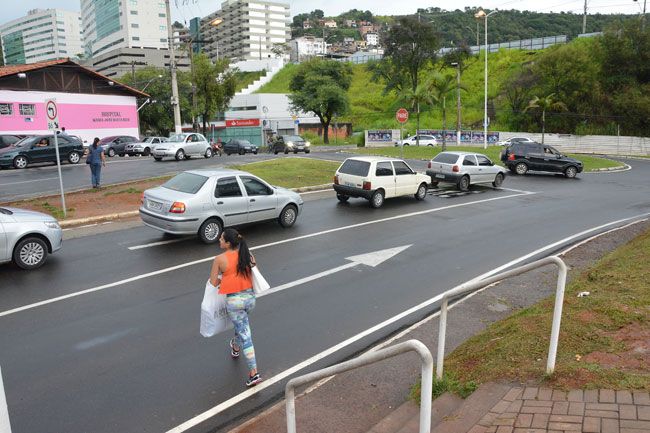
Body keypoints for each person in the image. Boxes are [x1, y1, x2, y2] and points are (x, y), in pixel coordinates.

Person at [209, 228, 261, 387]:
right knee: (242, 327)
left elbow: (213, 282)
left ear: (228, 243)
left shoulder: (219, 259)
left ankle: (254, 373)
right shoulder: (247, 254)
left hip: (235, 302)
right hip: (250, 299)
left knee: (246, 334)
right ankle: (235, 345)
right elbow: (254, 270)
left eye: (221, 239)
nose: (219, 240)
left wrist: (223, 279)